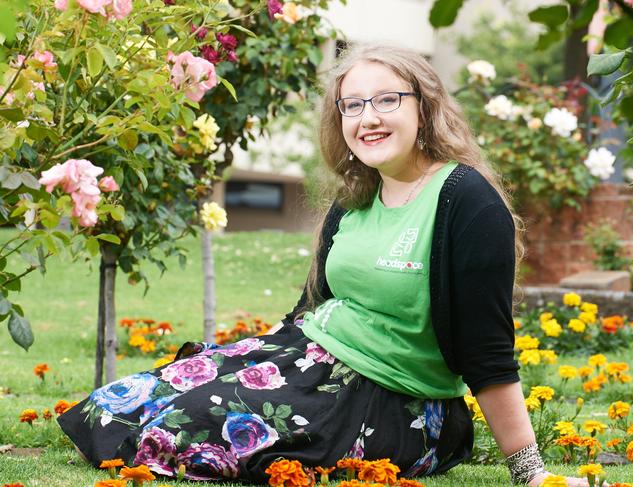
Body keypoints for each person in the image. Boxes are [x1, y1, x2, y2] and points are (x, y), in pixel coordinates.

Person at [58, 44, 592, 486]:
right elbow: (314, 304)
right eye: (352, 105)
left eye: (387, 100)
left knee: (181, 431)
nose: (368, 118)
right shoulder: (357, 194)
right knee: (119, 407)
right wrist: (250, 361)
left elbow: (487, 348)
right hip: (312, 362)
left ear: (424, 107)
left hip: (395, 403)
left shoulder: (465, 201)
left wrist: (531, 471)